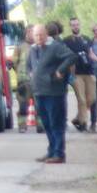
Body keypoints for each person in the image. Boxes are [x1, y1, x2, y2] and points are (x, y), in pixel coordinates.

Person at [27, 22, 76, 163]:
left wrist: (60, 71)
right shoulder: (33, 49)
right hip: (39, 92)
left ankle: (59, 154)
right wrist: (31, 74)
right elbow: (29, 65)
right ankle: (51, 151)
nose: (39, 37)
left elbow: (71, 57)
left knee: (56, 123)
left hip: (54, 92)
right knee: (47, 124)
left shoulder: (55, 47)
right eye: (36, 35)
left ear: (46, 34)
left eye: (41, 35)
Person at [63, 17, 94, 131]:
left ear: (80, 25)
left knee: (91, 98)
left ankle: (77, 118)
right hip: (75, 73)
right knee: (81, 99)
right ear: (70, 26)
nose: (75, 26)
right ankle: (83, 123)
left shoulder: (87, 39)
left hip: (89, 72)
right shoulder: (66, 41)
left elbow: (91, 54)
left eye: (77, 24)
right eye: (73, 25)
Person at [9, 26, 34, 133]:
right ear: (26, 33)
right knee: (23, 105)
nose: (31, 34)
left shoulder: (41, 46)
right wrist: (20, 74)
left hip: (38, 81)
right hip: (23, 81)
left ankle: (41, 126)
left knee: (40, 106)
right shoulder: (19, 48)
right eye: (29, 32)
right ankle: (22, 125)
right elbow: (14, 63)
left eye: (33, 32)